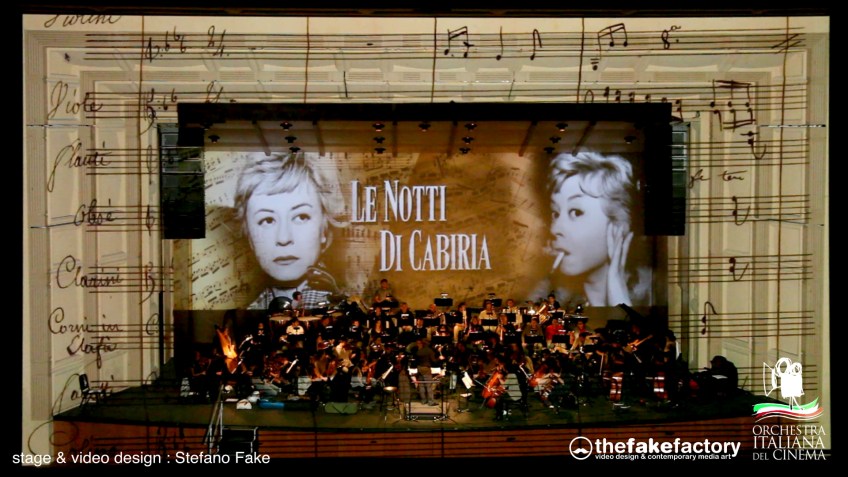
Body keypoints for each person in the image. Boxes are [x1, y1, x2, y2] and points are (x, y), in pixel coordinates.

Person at [532, 152, 652, 307]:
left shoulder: (653, 292)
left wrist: (617, 293)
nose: (554, 229)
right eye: (555, 213)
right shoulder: (549, 298)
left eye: (576, 212)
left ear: (618, 225)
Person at [235, 152, 347, 311]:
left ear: (324, 229)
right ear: (248, 235)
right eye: (267, 220)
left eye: (301, 217)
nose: (283, 238)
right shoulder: (250, 313)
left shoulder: (337, 307)